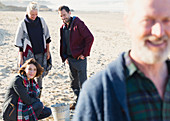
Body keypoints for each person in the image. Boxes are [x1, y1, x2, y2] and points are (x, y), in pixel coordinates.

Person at [73, 0, 170, 120]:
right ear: (129, 23)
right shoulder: (97, 93)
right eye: (148, 20)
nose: (159, 33)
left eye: (167, 20)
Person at [58, 5, 94, 110]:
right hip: (70, 59)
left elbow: (90, 38)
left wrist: (84, 53)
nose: (63, 18)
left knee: (83, 82)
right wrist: (65, 57)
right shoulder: (63, 27)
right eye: (61, 16)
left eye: (64, 15)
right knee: (73, 82)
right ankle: (77, 101)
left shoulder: (78, 23)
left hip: (80, 59)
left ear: (69, 13)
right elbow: (63, 42)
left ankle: (86, 103)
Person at [15, 1, 52, 97]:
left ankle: (38, 97)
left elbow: (47, 38)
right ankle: (28, 96)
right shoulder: (22, 24)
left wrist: (47, 52)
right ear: (27, 12)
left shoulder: (41, 21)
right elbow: (19, 43)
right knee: (28, 74)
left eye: (36, 14)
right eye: (32, 14)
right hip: (28, 54)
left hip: (41, 53)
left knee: (39, 75)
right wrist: (21, 57)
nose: (34, 16)